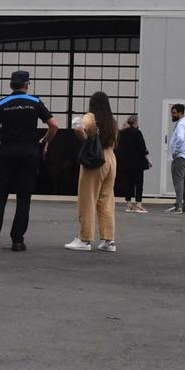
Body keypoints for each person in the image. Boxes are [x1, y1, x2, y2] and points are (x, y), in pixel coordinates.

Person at [0, 70, 57, 252]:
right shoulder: (35, 102)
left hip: (8, 155)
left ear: (11, 85)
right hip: (29, 154)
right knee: (24, 198)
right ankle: (18, 240)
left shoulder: (2, 103)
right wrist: (45, 141)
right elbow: (54, 125)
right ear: (27, 85)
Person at [67, 91, 120, 252]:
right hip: (111, 159)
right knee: (106, 199)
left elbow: (78, 128)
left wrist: (87, 141)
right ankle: (108, 240)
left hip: (95, 159)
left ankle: (85, 239)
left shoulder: (91, 116)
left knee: (88, 198)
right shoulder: (112, 121)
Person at [116, 114, 150, 213]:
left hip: (126, 162)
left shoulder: (122, 133)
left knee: (128, 183)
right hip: (137, 162)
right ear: (135, 122)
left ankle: (129, 204)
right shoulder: (137, 132)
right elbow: (142, 147)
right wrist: (148, 159)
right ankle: (139, 204)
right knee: (139, 183)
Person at [166, 104, 185, 214]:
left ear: (180, 113)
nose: (172, 115)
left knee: (178, 182)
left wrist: (175, 151)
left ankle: (179, 206)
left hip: (180, 157)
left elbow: (180, 138)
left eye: (174, 113)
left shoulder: (181, 125)